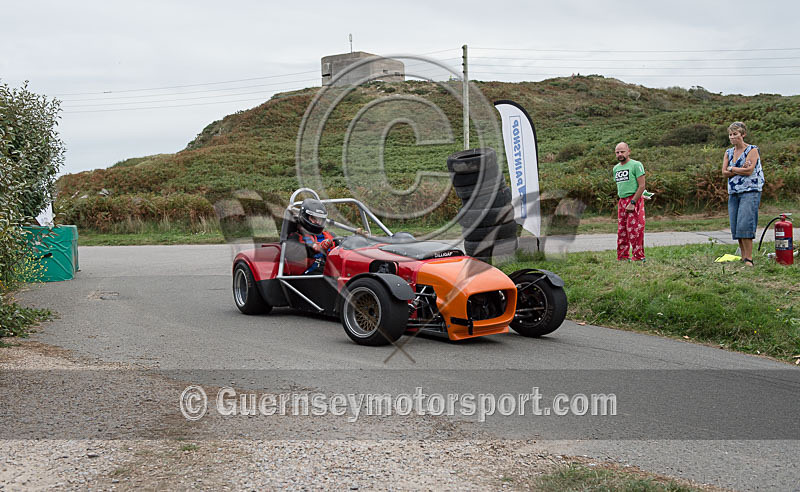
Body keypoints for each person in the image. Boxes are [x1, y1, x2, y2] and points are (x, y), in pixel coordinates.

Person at [722, 121, 764, 267]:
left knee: (746, 223)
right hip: (734, 191)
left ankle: (749, 258)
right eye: (730, 134)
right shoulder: (728, 152)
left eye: (735, 134)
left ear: (743, 134)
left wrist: (732, 168)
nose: (732, 137)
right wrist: (738, 168)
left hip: (750, 190)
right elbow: (724, 172)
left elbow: (749, 171)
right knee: (736, 224)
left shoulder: (752, 150)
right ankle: (742, 256)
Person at [612, 142, 646, 262]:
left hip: (633, 200)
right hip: (622, 200)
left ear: (628, 151)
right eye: (617, 152)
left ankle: (638, 256)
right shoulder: (615, 168)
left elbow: (641, 186)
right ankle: (622, 256)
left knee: (635, 229)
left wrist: (633, 202)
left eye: (622, 151)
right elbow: (623, 185)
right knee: (622, 230)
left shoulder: (636, 165)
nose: (620, 154)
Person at [295, 198, 336, 274]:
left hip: (331, 271)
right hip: (309, 273)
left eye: (320, 219)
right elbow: (298, 253)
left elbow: (344, 247)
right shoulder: (296, 236)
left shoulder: (330, 235)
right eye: (314, 218)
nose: (317, 222)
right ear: (305, 216)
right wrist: (318, 248)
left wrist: (357, 238)